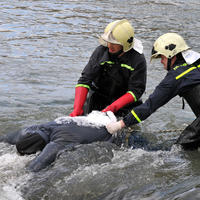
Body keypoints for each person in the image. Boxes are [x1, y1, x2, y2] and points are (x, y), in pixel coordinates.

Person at [106, 32, 200, 150]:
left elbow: (150, 105)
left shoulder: (176, 76)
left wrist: (120, 124)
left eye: (162, 57)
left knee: (179, 149)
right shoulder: (196, 61)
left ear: (172, 55)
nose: (161, 61)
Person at [70, 19, 147, 117]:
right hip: (98, 98)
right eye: (108, 41)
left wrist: (111, 108)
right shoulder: (101, 51)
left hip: (124, 104)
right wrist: (77, 109)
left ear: (125, 44)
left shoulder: (137, 59)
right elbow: (84, 80)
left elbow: (136, 91)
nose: (110, 46)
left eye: (114, 43)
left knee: (129, 130)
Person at [0, 111, 117, 172]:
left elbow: (36, 166)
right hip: (97, 118)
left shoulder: (60, 141)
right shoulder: (41, 127)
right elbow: (6, 138)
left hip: (111, 130)